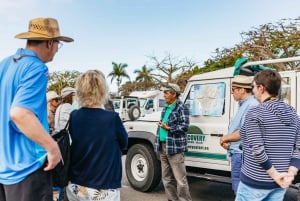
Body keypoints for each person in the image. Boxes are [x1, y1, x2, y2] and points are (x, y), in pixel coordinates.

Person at [0, 17, 73, 201]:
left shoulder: (5, 64)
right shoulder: (36, 68)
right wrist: (52, 147)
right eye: (58, 44)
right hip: (27, 169)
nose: (57, 50)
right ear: (50, 43)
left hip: (4, 167)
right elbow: (20, 113)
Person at [235, 70, 300, 201]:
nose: (252, 91)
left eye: (253, 87)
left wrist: (275, 175)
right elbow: (298, 148)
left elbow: (257, 150)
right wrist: (290, 174)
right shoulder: (294, 114)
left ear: (261, 88)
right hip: (280, 184)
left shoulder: (255, 113)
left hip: (254, 183)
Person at [66, 70, 128, 201]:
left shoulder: (74, 116)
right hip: (103, 186)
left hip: (76, 184)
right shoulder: (112, 118)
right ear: (102, 89)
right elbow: (124, 143)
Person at [219, 75, 259, 194]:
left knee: (242, 190)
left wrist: (225, 138)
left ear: (242, 90)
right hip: (239, 152)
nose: (231, 92)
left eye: (233, 89)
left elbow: (245, 131)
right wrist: (230, 142)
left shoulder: (251, 105)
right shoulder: (244, 104)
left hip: (243, 155)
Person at [154, 83, 192, 201]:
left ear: (174, 94)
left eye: (166, 92)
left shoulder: (182, 107)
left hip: (175, 148)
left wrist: (169, 128)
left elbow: (185, 127)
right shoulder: (166, 107)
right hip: (163, 146)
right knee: (166, 179)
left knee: (180, 180)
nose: (164, 95)